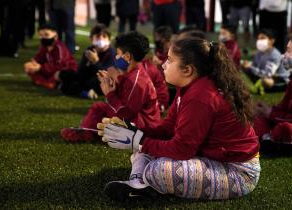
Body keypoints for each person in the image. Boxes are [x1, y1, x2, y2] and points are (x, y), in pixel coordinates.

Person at [100, 37, 261, 201]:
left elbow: (183, 149)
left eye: (169, 60)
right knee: (143, 149)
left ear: (187, 70)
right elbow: (168, 128)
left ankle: (144, 182)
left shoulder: (201, 96)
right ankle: (138, 184)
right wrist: (137, 132)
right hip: (213, 158)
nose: (163, 64)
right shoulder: (189, 86)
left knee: (157, 169)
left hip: (239, 172)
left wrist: (139, 140)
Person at [61, 31, 161, 143]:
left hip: (142, 127)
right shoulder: (132, 72)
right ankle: (88, 132)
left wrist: (109, 92)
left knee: (104, 113)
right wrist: (110, 82)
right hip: (135, 119)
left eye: (118, 54)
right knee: (99, 107)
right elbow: (125, 99)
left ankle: (88, 134)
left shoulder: (137, 81)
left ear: (127, 56)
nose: (116, 57)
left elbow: (125, 112)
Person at [254, 33, 292, 153]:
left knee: (285, 128)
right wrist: (267, 110)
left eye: (288, 51)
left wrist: (271, 114)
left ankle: (267, 139)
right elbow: (284, 108)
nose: (284, 55)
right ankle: (267, 139)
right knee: (259, 118)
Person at [58, 24, 115, 99]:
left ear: (109, 40)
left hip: (101, 81)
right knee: (64, 74)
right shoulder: (90, 50)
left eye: (104, 37)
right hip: (87, 78)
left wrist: (96, 62)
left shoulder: (111, 53)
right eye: (98, 37)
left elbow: (105, 74)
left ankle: (78, 90)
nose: (101, 40)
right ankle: (85, 92)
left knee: (97, 81)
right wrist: (87, 63)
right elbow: (80, 72)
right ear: (91, 39)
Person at [23, 23, 77, 90]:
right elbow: (39, 58)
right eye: (40, 35)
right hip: (49, 70)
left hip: (64, 71)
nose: (43, 37)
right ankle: (47, 83)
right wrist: (32, 64)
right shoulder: (44, 47)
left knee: (57, 74)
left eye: (46, 35)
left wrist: (40, 67)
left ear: (55, 36)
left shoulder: (59, 48)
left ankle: (49, 83)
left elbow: (60, 66)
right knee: (31, 69)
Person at [242, 29, 289, 95]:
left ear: (272, 41)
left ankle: (259, 87)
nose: (259, 41)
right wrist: (249, 65)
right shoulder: (259, 53)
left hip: (279, 80)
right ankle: (257, 86)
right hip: (264, 75)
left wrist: (251, 67)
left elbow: (267, 74)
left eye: (263, 38)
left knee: (266, 81)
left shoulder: (275, 55)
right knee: (245, 67)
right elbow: (255, 66)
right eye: (258, 39)